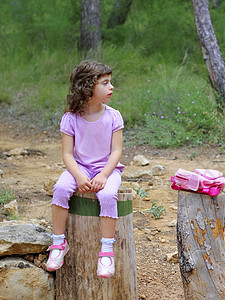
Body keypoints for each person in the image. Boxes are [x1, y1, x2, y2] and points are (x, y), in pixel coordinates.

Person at [46, 61, 124, 277]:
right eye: (105, 83)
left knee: (108, 195)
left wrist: (103, 175)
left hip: (107, 169)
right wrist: (79, 175)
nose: (112, 87)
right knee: (61, 189)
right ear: (88, 87)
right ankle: (58, 244)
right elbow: (67, 154)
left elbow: (116, 152)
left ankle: (107, 251)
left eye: (111, 82)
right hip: (78, 168)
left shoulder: (113, 116)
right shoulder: (71, 118)